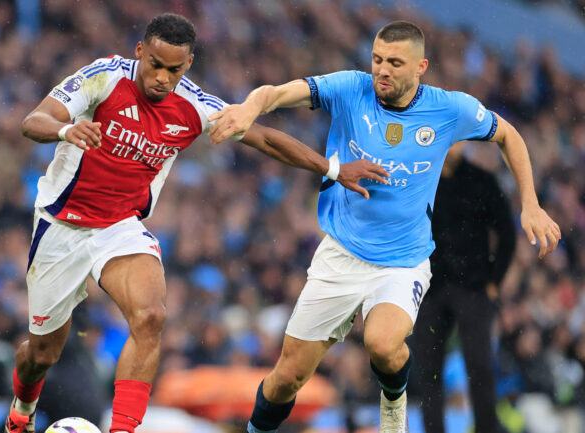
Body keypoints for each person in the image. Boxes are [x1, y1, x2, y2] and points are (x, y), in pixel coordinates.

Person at [5, 13, 386, 433]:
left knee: (150, 316)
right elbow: (32, 122)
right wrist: (65, 131)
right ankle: (22, 407)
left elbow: (263, 138)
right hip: (62, 224)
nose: (162, 78)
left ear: (187, 65)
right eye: (155, 64)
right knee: (42, 354)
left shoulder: (194, 105)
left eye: (174, 69)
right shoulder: (103, 77)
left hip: (119, 227)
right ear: (140, 53)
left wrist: (332, 169)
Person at [208, 20, 561, 433]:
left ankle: (393, 397)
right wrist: (250, 108)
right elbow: (276, 93)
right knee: (288, 377)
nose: (382, 70)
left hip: (403, 262)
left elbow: (509, 136)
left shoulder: (449, 109)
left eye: (395, 62)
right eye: (377, 59)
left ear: (420, 67)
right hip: (341, 254)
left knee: (382, 344)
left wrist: (531, 204)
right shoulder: (349, 88)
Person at [411, 141, 516, 433]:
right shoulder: (422, 180)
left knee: (479, 365)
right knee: (428, 369)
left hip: (473, 286)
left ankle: (487, 428)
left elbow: (507, 233)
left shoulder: (481, 180)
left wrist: (495, 280)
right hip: (430, 287)